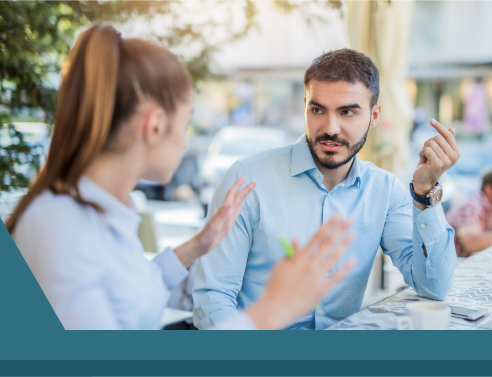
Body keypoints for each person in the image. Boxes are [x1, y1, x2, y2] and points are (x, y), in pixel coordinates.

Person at [6, 23, 355, 330]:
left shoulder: (100, 213)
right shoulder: (60, 226)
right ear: (155, 125)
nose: (187, 142)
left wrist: (199, 245)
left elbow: (130, 296)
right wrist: (272, 309)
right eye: (185, 124)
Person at [193, 48, 460, 330]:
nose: (331, 128)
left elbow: (434, 288)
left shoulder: (384, 189)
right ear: (305, 105)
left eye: (347, 112)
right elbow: (213, 298)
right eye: (318, 109)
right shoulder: (246, 180)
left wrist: (425, 190)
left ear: (374, 115)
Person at [446, 169, 492, 257]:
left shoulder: (488, 207)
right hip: (453, 265)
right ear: (488, 190)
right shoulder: (471, 206)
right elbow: (472, 243)